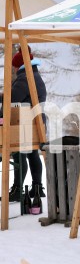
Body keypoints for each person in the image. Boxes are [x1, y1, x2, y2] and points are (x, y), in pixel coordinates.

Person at [1, 47, 47, 205]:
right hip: (36, 121)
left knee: (18, 154)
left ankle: (17, 188)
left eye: (14, 67)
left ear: (18, 66)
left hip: (25, 122)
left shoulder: (24, 78)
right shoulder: (35, 75)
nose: (13, 69)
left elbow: (13, 99)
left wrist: (3, 97)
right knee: (32, 154)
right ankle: (37, 187)